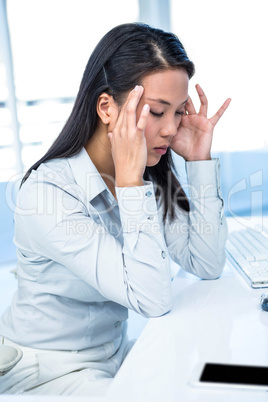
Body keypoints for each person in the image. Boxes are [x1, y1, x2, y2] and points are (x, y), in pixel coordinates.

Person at [0, 22, 231, 396]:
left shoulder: (146, 177)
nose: (172, 129)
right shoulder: (47, 194)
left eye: (178, 112)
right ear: (107, 107)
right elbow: (152, 300)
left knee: (213, 379)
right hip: (49, 368)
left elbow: (206, 262)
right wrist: (129, 184)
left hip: (114, 356)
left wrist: (200, 163)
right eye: (157, 112)